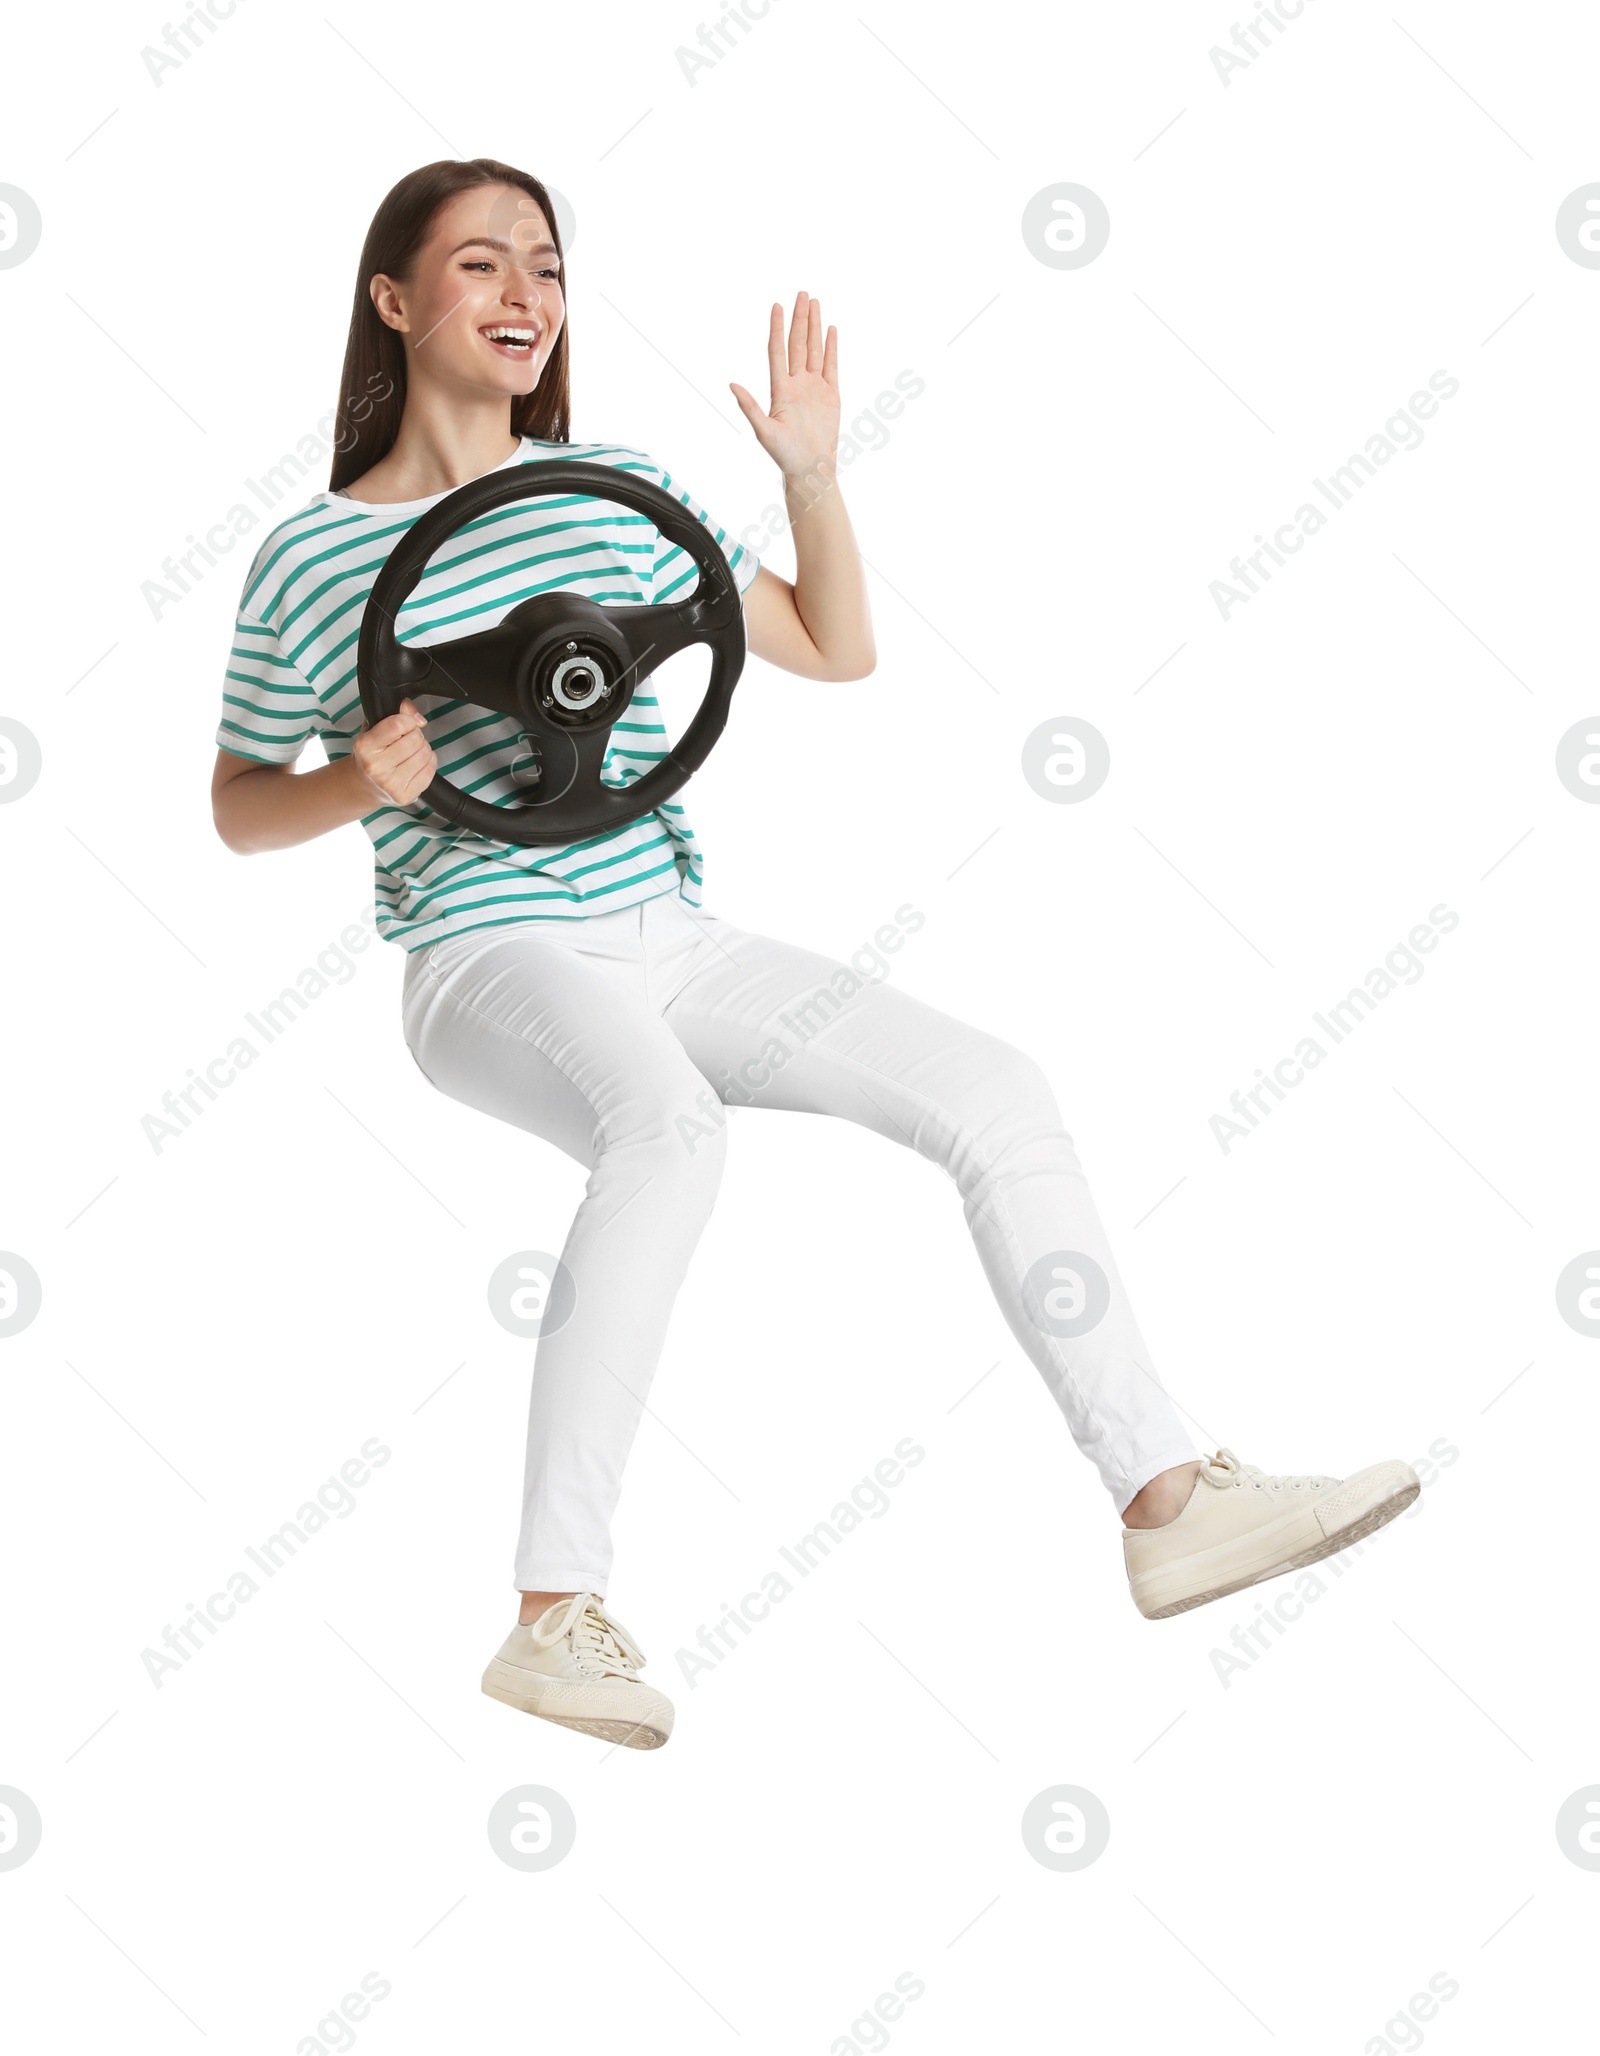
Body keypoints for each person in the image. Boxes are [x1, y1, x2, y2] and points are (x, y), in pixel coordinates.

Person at [211, 158, 1419, 1752]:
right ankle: (550, 1616)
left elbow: (833, 646)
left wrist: (811, 476)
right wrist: (351, 783)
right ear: (393, 299)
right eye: (486, 266)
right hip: (480, 949)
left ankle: (1170, 1499)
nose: (527, 299)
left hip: (666, 930)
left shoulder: (617, 495)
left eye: (551, 272)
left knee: (996, 1089)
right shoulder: (307, 558)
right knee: (670, 1130)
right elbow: (238, 806)